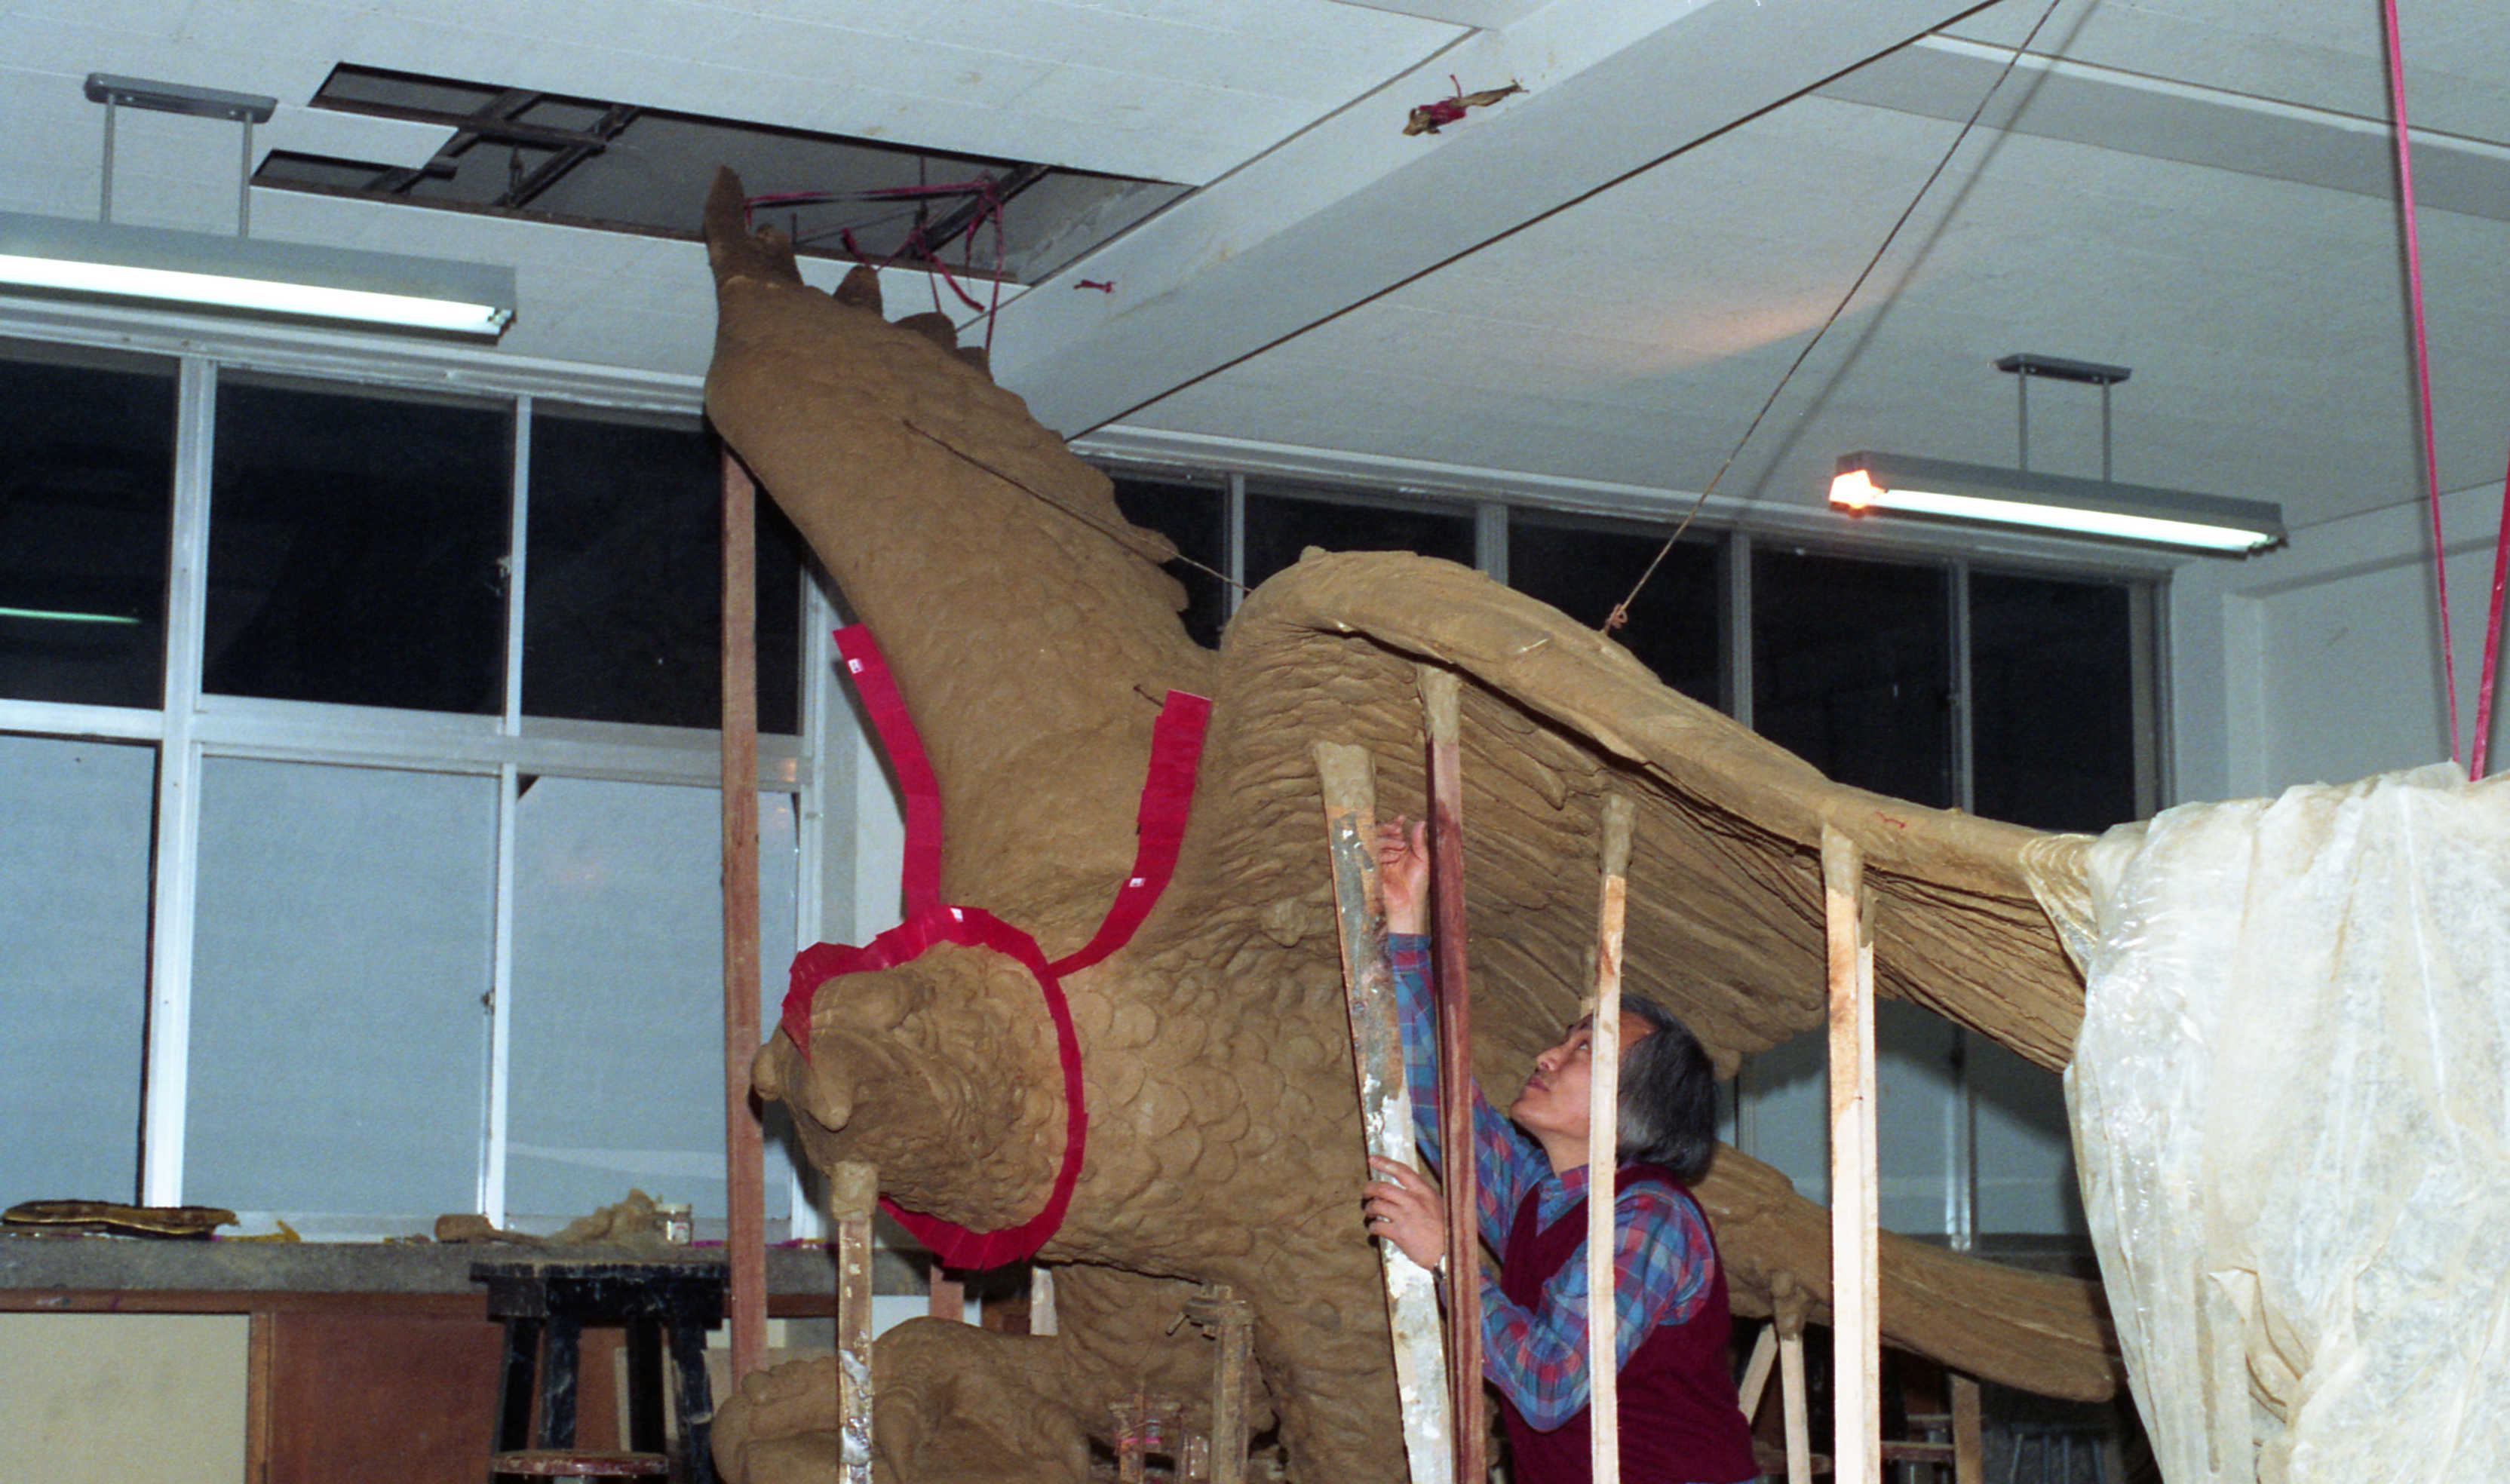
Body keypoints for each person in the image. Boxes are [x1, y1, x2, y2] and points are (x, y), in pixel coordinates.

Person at [1361, 820, 1757, 1484]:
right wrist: (1405, 922)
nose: (1547, 1056)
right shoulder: (1541, 1197)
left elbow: (1550, 1384)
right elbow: (1435, 1102)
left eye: (1584, 1051)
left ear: (1638, 1105)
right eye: (1564, 1041)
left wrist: (1448, 1258)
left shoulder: (1651, 1219)